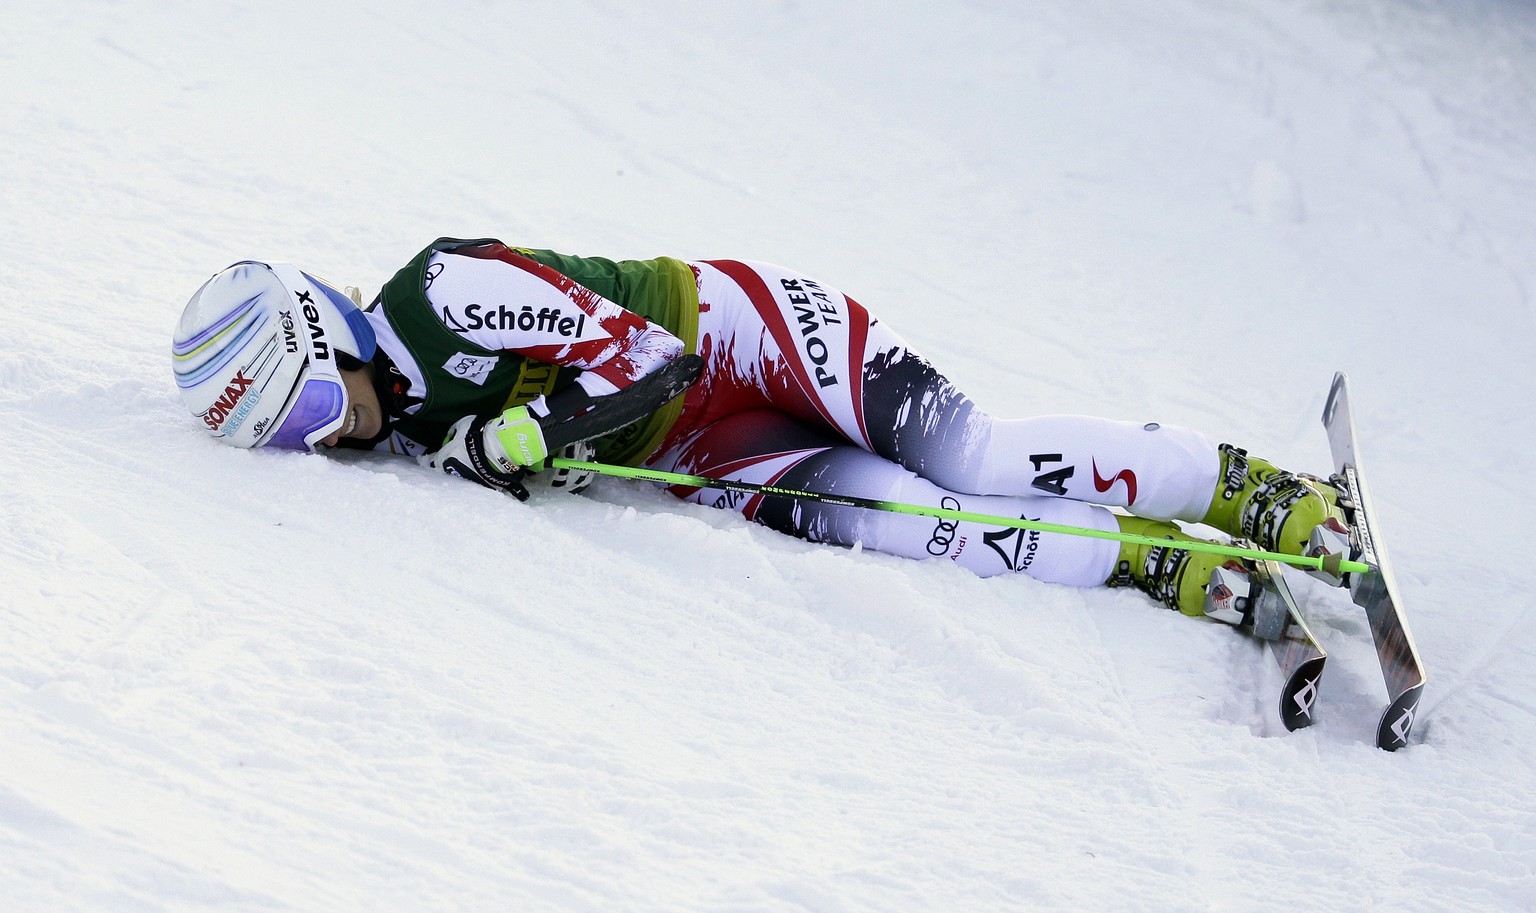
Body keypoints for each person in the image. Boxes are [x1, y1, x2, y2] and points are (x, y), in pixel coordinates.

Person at [171, 238, 1345, 618]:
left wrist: (522, 437)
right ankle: (1154, 559)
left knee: (967, 453)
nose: (325, 442)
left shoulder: (443, 289)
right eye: (295, 440)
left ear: (330, 342)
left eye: (315, 410)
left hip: (745, 333)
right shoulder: (413, 430)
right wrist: (503, 453)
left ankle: (1242, 484)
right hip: (693, 451)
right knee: (899, 520)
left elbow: (647, 355)